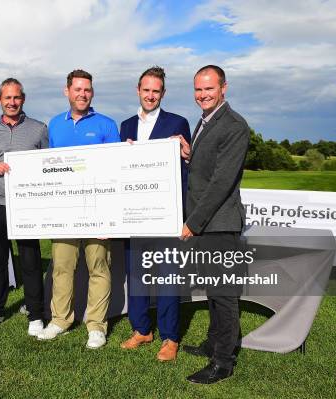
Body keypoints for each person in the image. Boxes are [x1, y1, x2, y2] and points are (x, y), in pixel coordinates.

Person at [36, 69, 120, 349]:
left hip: (97, 211)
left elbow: (115, 172)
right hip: (64, 211)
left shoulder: (107, 125)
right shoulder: (55, 125)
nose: (83, 94)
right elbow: (49, 168)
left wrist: (109, 217)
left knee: (98, 267)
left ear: (92, 92)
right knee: (62, 267)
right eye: (78, 89)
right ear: (67, 91)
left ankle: (96, 325)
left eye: (87, 90)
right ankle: (60, 320)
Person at [178, 65, 250, 384]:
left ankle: (223, 361)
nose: (203, 95)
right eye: (198, 89)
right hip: (208, 223)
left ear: (224, 88)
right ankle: (213, 342)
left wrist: (192, 223)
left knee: (224, 293)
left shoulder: (234, 125)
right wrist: (190, 156)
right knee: (212, 289)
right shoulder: (206, 120)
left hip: (218, 224)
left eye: (209, 89)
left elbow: (222, 182)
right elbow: (208, 167)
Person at [119, 66, 191, 361]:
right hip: (135, 215)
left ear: (163, 93)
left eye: (156, 91)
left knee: (168, 277)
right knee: (136, 275)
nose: (150, 95)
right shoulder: (125, 126)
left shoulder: (178, 122)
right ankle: (141, 329)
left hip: (166, 215)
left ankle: (170, 337)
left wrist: (186, 154)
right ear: (138, 90)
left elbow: (187, 168)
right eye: (146, 90)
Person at [0, 78, 48, 337]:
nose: (12, 102)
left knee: (30, 260)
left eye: (16, 97)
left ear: (22, 99)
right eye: (7, 98)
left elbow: (48, 164)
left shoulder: (38, 129)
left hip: (26, 206)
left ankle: (35, 314)